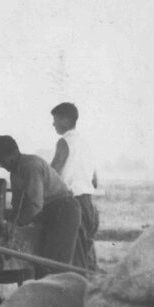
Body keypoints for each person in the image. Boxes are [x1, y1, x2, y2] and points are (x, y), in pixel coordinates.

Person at [0, 135, 81, 276]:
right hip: (49, 213)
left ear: (13, 153)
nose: (1, 165)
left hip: (64, 210)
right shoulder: (15, 172)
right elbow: (17, 205)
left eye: (1, 160)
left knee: (55, 265)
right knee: (41, 263)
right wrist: (9, 225)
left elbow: (34, 205)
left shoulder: (29, 166)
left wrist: (16, 227)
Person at [50, 102, 99, 270]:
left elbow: (52, 174)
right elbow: (94, 181)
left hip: (73, 205)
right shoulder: (87, 145)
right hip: (89, 205)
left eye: (55, 120)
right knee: (87, 258)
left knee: (75, 260)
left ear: (65, 120)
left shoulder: (64, 142)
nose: (53, 124)